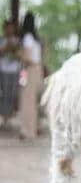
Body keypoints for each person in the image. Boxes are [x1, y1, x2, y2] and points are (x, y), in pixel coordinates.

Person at [19, 11, 43, 139]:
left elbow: (27, 57)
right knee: (33, 101)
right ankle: (32, 129)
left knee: (27, 100)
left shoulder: (27, 38)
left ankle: (27, 131)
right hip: (37, 69)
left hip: (29, 68)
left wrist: (19, 55)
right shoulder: (36, 39)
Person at [0, 19, 21, 127]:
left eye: (11, 27)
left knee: (12, 94)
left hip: (14, 70)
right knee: (4, 93)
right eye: (8, 27)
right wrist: (7, 46)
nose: (10, 29)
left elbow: (20, 55)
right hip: (3, 70)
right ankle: (4, 118)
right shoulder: (2, 39)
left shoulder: (17, 40)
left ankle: (9, 117)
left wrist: (14, 48)